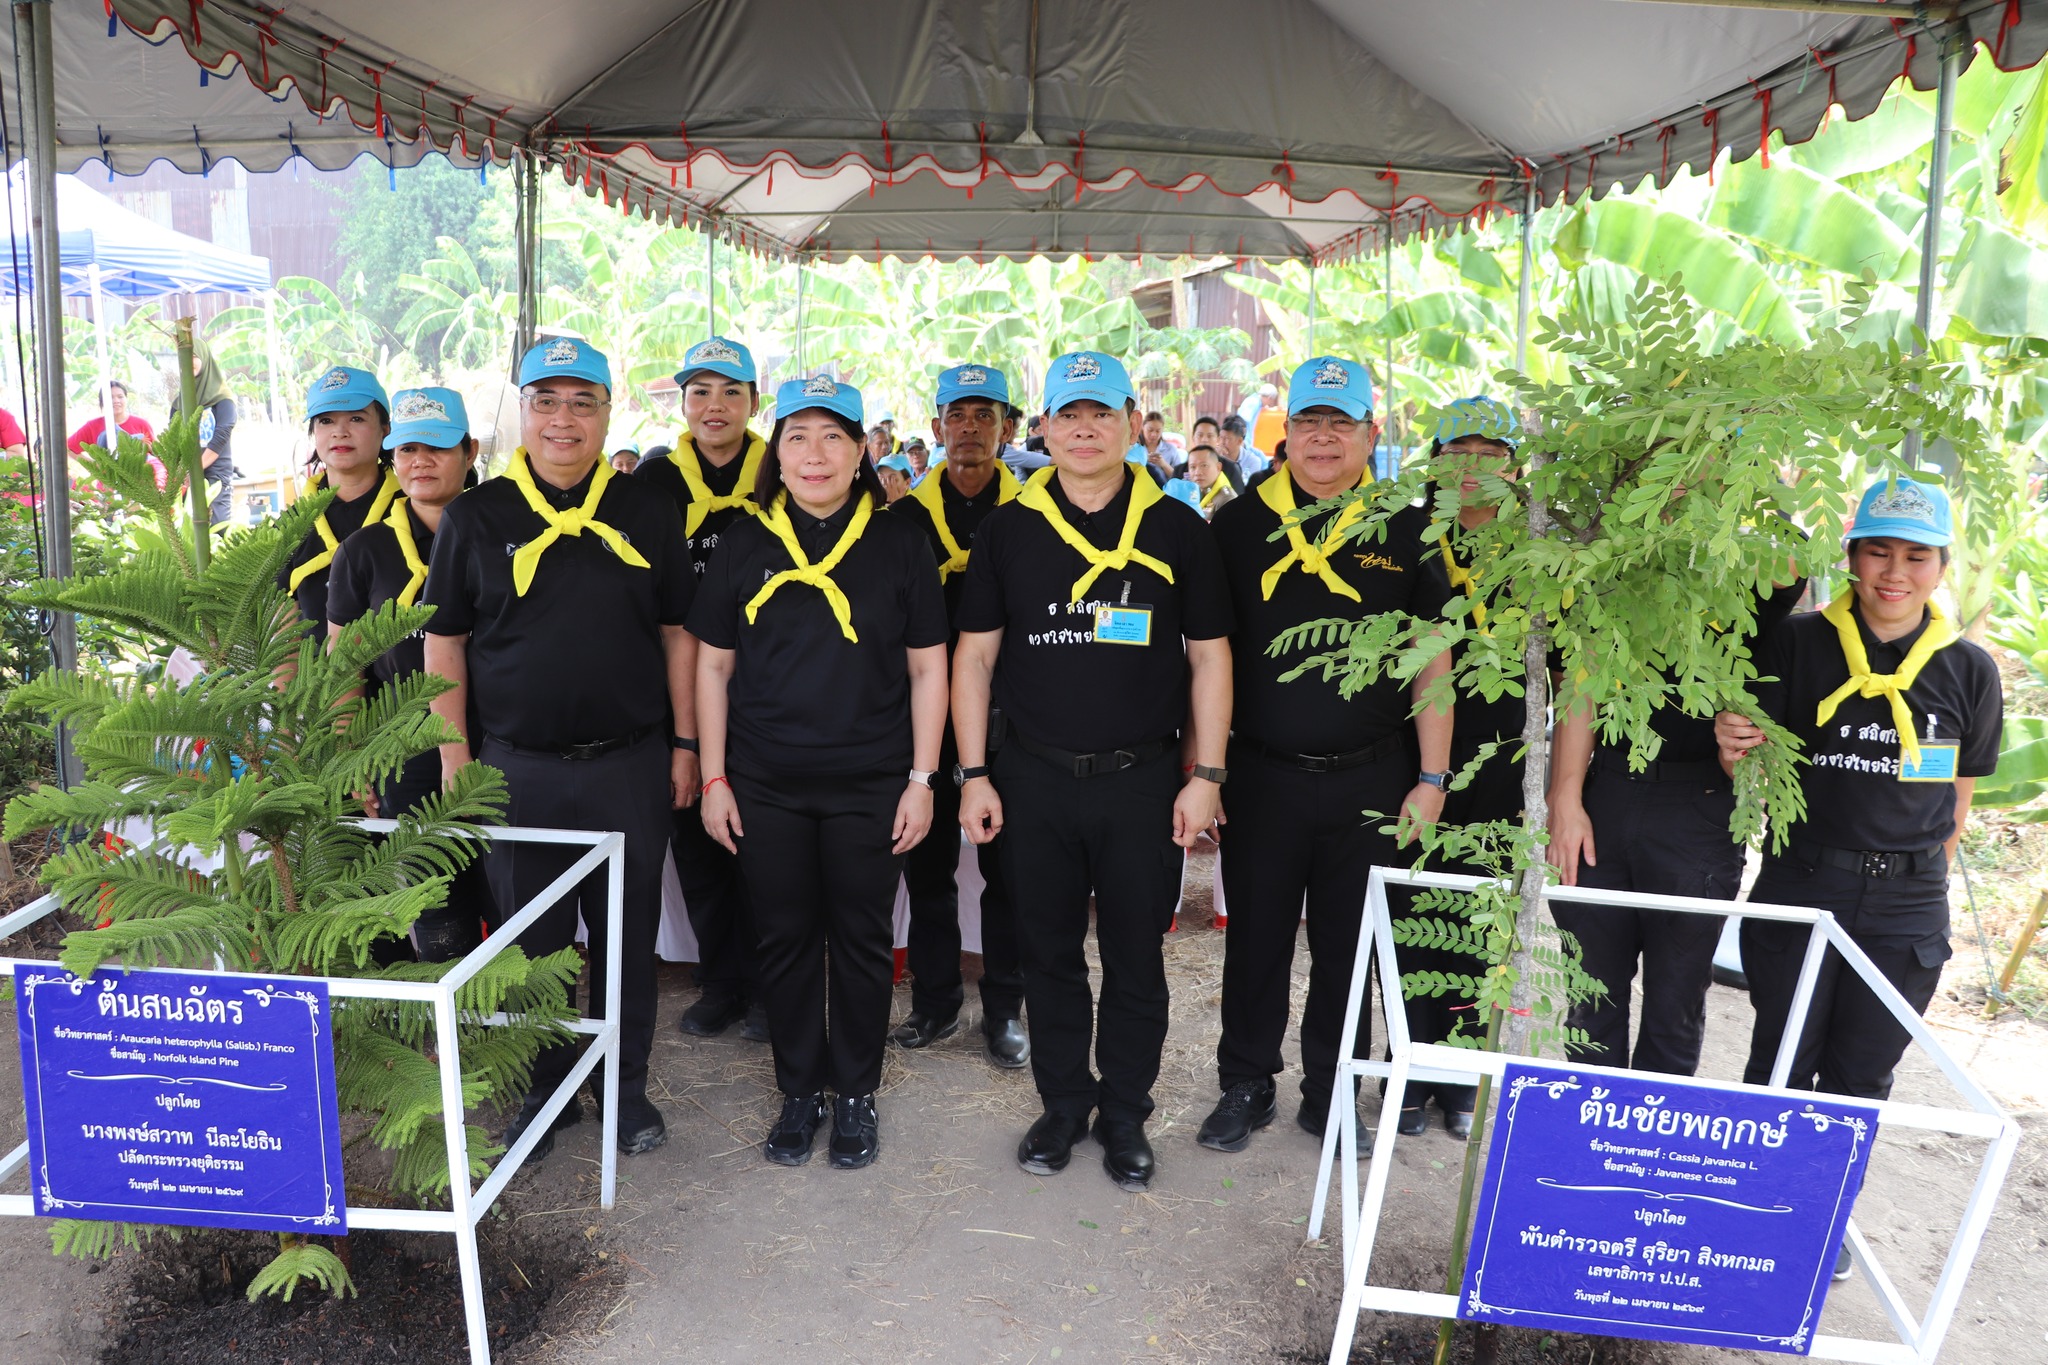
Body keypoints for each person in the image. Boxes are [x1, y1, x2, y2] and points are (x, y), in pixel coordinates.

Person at [953, 350, 1233, 1191]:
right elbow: (974, 659)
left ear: (1132, 424)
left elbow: (1211, 657)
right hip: (1032, 778)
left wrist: (1207, 774)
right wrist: (974, 773)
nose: (1084, 429)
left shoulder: (1178, 527)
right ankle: (1064, 1103)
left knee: (1135, 957)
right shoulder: (1008, 529)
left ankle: (1125, 1112)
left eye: (1101, 413)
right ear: (1042, 427)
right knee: (1048, 953)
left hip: (1141, 780)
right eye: (1068, 414)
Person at [423, 336, 698, 1163]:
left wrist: (686, 744)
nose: (563, 419)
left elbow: (677, 634)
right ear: (523, 412)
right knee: (531, 945)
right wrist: (454, 759)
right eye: (546, 401)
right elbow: (445, 642)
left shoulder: (648, 509)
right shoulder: (476, 517)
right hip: (518, 770)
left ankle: (622, 1086)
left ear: (608, 413)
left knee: (626, 939)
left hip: (629, 765)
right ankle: (545, 1092)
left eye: (583, 402)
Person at [691, 375, 949, 1170]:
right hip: (764, 783)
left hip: (872, 782)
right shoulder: (744, 541)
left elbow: (929, 667)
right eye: (797, 436)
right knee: (785, 939)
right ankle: (799, 1089)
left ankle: (857, 1091)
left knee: (865, 942)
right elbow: (712, 666)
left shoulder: (901, 540)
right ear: (777, 451)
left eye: (834, 436)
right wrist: (713, 778)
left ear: (862, 449)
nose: (815, 453)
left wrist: (922, 779)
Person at [1197, 356, 1453, 1154]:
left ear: (1371, 435)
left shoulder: (1408, 529)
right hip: (1261, 774)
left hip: (1372, 777)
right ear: (1287, 433)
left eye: (1341, 424)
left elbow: (1433, 658)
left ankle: (1331, 1090)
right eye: (1309, 421)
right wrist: (1204, 771)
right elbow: (1207, 656)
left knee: (1349, 945)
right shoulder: (1238, 525)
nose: (1323, 438)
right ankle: (1246, 1082)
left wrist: (1433, 778)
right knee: (1256, 939)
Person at [1716, 477, 1999, 1106]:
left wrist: (1925, 882)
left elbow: (1958, 793)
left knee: (1863, 1080)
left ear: (1941, 568)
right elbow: (1752, 773)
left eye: (1917, 556)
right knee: (1780, 1067)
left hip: (1908, 903)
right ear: (1852, 557)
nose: (1895, 572)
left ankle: (1828, 1179)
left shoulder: (1969, 670)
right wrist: (1732, 747)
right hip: (1804, 881)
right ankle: (1764, 1173)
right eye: (1879, 552)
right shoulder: (1794, 642)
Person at [1548, 471, 1807, 1079]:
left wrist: (1719, 503)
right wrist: (1565, 796)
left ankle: (1650, 1136)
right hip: (1606, 794)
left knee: (1675, 1002)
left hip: (1701, 805)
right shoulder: (1610, 549)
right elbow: (1582, 681)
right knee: (1590, 993)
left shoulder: (1747, 552)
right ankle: (1586, 1127)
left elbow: (1793, 559)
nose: (1684, 476)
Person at [888, 363, 1030, 1068]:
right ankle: (937, 1000)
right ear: (936, 424)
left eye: (984, 415)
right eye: (957, 415)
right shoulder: (902, 520)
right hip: (925, 721)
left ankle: (1005, 1008)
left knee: (1010, 873)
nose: (970, 428)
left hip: (1013, 721)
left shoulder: (1035, 514)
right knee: (928, 868)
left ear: (1008, 427)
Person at [1391, 397, 1525, 1139]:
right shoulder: (1407, 537)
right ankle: (1407, 1068)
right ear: (1433, 462)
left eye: (1489, 452)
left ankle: (1462, 1071)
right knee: (1413, 916)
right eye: (1456, 451)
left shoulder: (1542, 552)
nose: (1472, 466)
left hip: (1503, 762)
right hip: (1413, 758)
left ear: (1514, 466)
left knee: (1482, 919)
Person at [325, 387, 492, 962]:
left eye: (437, 448)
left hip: (501, 737)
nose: (420, 461)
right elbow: (344, 666)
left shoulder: (500, 533)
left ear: (469, 452)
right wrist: (352, 755)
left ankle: (518, 1003)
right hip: (406, 747)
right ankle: (456, 1006)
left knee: (510, 885)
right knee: (435, 892)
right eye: (407, 449)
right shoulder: (364, 551)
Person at [636, 335, 771, 1043]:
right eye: (700, 392)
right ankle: (722, 982)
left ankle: (772, 988)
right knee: (696, 846)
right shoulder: (653, 484)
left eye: (730, 392)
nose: (714, 406)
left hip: (766, 691)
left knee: (765, 849)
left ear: (754, 400)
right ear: (682, 402)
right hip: (680, 693)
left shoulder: (782, 471)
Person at [280, 367, 399, 639]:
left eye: (356, 418)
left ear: (385, 429)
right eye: (326, 421)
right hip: (315, 667)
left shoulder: (413, 509)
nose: (340, 432)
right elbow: (284, 635)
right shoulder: (293, 524)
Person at [169, 337, 238, 524]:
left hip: (216, 472)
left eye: (193, 356)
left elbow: (221, 435)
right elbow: (173, 440)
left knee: (218, 525)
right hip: (186, 474)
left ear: (204, 358)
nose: (188, 361)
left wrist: (194, 469)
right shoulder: (178, 404)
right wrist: (181, 472)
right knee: (184, 527)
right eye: (184, 357)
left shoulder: (223, 399)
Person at [68, 380, 155, 454]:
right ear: (102, 401)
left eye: (120, 397)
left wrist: (146, 447)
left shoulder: (142, 424)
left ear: (126, 399)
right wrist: (94, 465)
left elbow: (156, 452)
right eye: (110, 397)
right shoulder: (92, 426)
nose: (116, 401)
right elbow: (68, 448)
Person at [1182, 443, 1235, 519]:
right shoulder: (1192, 492)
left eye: (1204, 465)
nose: (1197, 472)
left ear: (1218, 467)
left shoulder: (1226, 499)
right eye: (1193, 467)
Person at [1219, 414, 1269, 478]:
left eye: (1227, 438)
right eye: (1221, 438)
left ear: (1239, 441)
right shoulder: (1215, 456)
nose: (1222, 442)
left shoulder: (1254, 460)